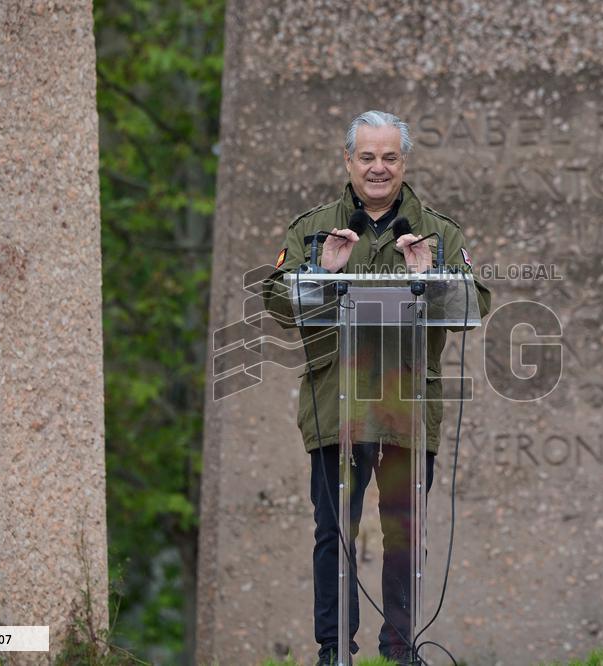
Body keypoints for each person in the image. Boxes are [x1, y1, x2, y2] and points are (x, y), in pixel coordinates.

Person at [262, 110, 491, 665]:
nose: (378, 168)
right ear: (348, 161)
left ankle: (399, 651)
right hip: (334, 406)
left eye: (389, 157)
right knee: (333, 533)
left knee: (403, 534)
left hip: (408, 408)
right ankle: (334, 651)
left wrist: (430, 279)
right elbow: (274, 301)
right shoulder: (311, 229)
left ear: (404, 162)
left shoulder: (438, 230)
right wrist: (324, 275)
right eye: (367, 157)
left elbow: (476, 305)